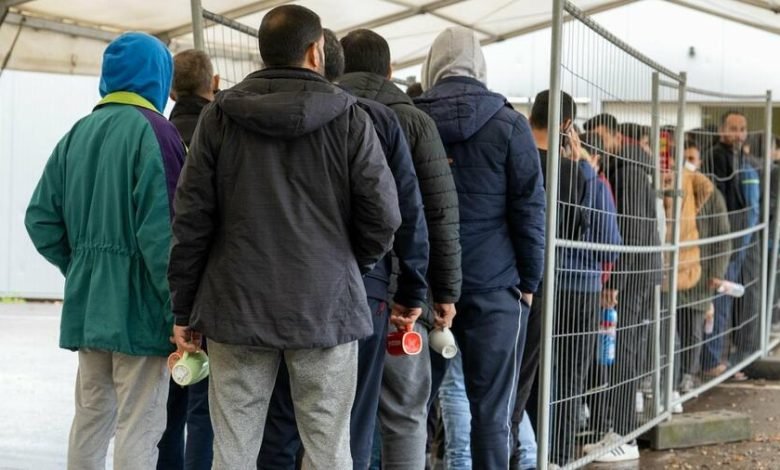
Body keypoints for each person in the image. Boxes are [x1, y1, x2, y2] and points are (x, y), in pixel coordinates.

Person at [167, 6, 401, 469]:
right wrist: (348, 263)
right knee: (328, 448)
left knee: (233, 448)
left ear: (264, 52)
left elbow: (191, 219)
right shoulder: (351, 118)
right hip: (325, 304)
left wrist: (183, 306)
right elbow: (384, 216)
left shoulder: (219, 117)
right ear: (315, 51)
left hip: (235, 304)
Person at [257, 28, 430, 470]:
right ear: (317, 56)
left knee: (277, 425)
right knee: (348, 425)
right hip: (354, 291)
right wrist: (393, 279)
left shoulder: (245, 113)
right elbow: (401, 213)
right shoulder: (373, 119)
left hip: (262, 289)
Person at [25, 32, 185, 469]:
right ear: (158, 75)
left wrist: (82, 266)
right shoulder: (157, 132)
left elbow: (40, 219)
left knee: (91, 418)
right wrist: (179, 310)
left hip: (89, 305)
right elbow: (163, 235)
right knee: (139, 424)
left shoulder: (76, 134)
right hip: (141, 309)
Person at [415, 27, 545, 468]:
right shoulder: (510, 125)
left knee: (412, 408)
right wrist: (528, 283)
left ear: (432, 65)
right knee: (492, 412)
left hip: (425, 287)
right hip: (496, 286)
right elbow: (530, 211)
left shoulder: (412, 120)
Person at [339, 28, 462, 470]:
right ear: (389, 71)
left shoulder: (326, 112)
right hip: (401, 298)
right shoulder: (414, 121)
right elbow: (439, 213)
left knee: (334, 415)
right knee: (406, 412)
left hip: (332, 289)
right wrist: (444, 292)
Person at [584, 114, 663, 462]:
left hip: (632, 274)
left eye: (599, 136)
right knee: (622, 352)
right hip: (641, 271)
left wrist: (614, 282)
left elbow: (629, 232)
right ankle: (615, 431)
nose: (595, 143)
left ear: (615, 136)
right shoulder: (633, 167)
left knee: (623, 353)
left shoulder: (627, 171)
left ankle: (624, 434)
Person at [156, 49, 218, 470]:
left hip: (163, 287)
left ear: (172, 91)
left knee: (167, 405)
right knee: (204, 408)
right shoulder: (224, 134)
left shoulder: (158, 134)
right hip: (213, 289)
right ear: (213, 84)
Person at [701, 111, 760, 378]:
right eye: (733, 128)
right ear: (722, 130)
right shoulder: (716, 157)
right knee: (718, 304)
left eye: (742, 129)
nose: (738, 134)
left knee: (724, 304)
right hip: (722, 243)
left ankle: (714, 360)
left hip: (735, 242)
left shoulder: (739, 159)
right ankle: (710, 362)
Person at [676, 141, 731, 393]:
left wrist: (717, 273)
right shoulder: (672, 187)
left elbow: (723, 237)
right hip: (674, 273)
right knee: (671, 328)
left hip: (701, 272)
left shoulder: (711, 194)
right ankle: (671, 377)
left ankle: (688, 374)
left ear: (699, 162)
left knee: (693, 328)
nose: (687, 163)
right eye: (683, 158)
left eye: (691, 158)